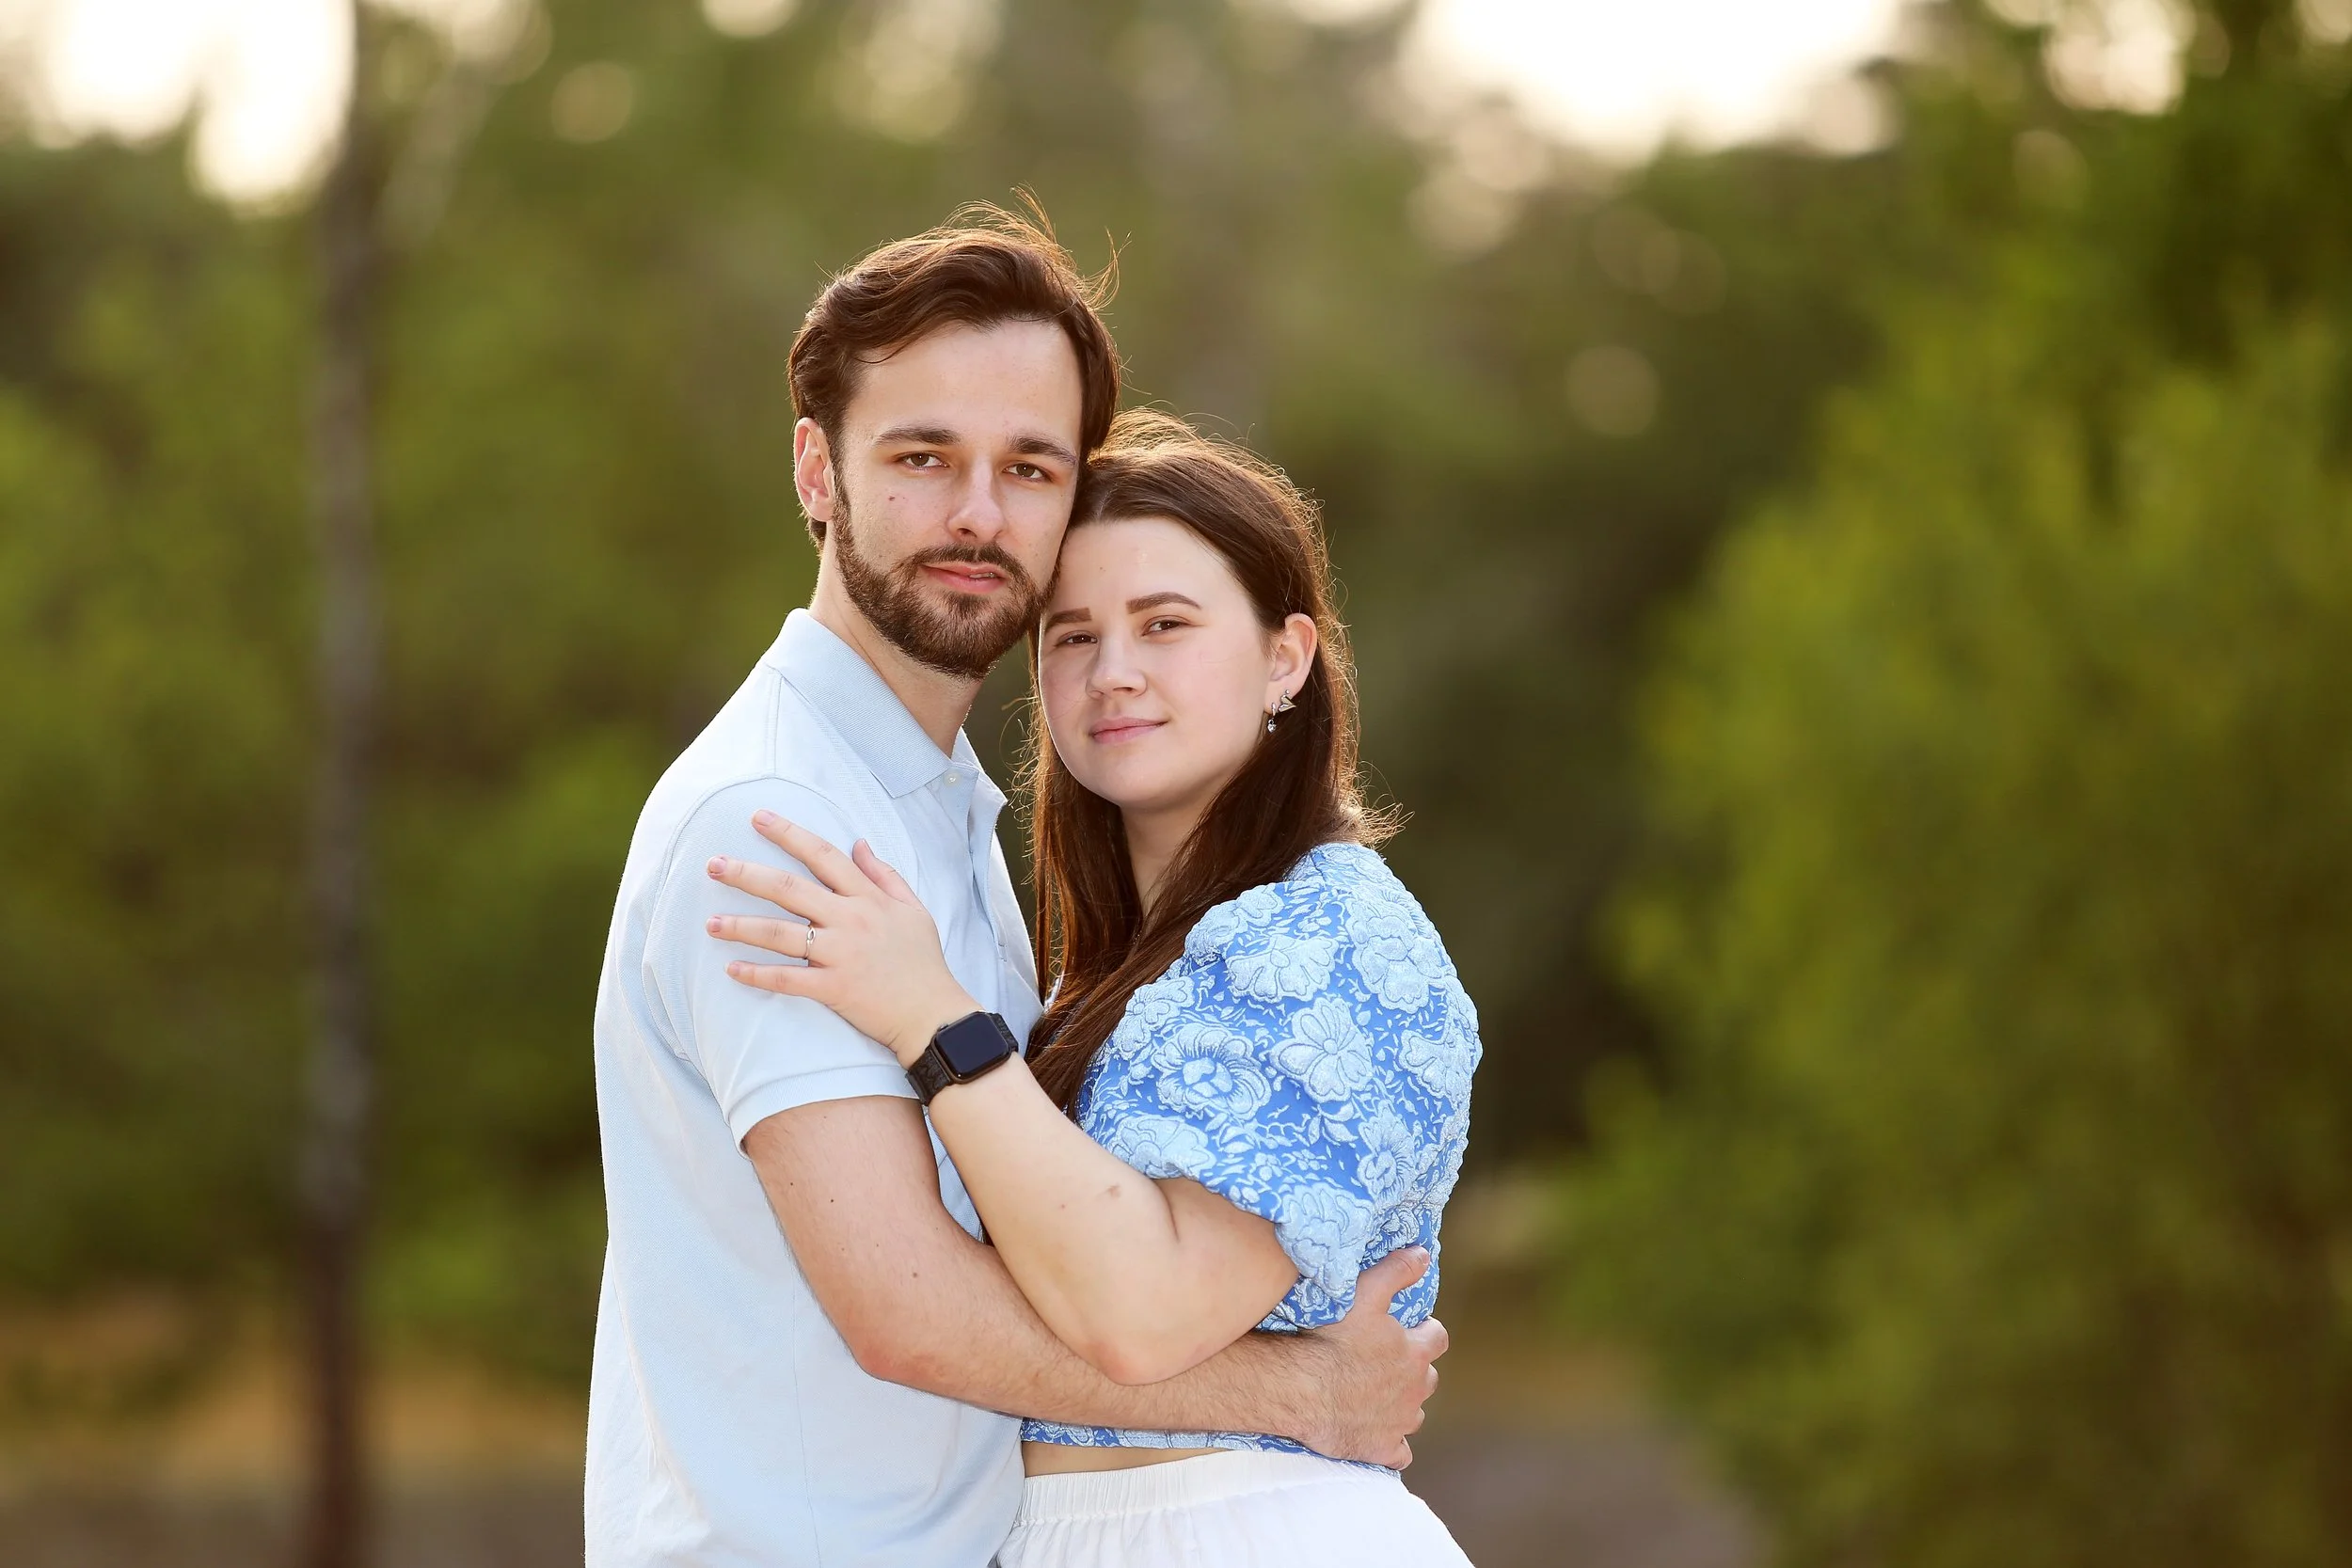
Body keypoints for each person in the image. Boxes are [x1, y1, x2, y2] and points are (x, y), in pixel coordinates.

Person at [585, 208, 1446, 1568]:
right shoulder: (783, 818)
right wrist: (1303, 1394)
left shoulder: (938, 822)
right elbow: (909, 1306)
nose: (979, 514)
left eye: (1030, 467)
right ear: (819, 469)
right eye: (923, 456)